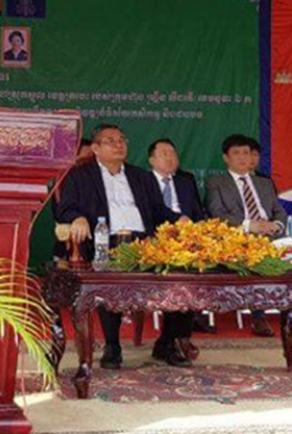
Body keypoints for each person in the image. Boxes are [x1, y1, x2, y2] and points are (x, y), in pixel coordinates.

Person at [56, 125, 194, 368]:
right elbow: (65, 208)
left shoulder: (141, 176)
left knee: (185, 273)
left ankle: (166, 343)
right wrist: (77, 218)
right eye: (111, 141)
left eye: (122, 140)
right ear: (95, 148)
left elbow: (159, 211)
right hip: (104, 242)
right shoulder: (79, 176)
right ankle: (112, 345)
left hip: (145, 243)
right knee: (110, 275)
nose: (119, 145)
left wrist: (179, 219)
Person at [206, 134, 292, 336]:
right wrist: (249, 226)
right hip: (242, 239)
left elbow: (279, 212)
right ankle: (258, 317)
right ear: (226, 158)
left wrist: (276, 225)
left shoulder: (264, 183)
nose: (242, 157)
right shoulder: (216, 182)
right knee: (256, 260)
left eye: (246, 153)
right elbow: (216, 214)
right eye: (236, 153)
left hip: (272, 236)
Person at [143, 138, 211, 336]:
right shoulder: (143, 181)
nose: (170, 158)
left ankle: (191, 312)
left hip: (188, 239)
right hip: (156, 238)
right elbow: (151, 211)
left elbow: (197, 211)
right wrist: (176, 220)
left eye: (173, 153)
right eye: (164, 154)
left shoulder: (185, 181)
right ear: (152, 160)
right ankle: (180, 324)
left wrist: (201, 227)